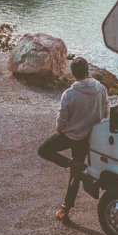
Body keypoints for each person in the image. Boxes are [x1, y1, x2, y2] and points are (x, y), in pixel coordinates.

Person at [38, 56, 108, 222]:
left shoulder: (69, 94)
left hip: (71, 136)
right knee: (74, 175)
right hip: (89, 137)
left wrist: (61, 129)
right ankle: (65, 209)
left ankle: (71, 164)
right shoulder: (101, 88)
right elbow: (106, 113)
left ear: (73, 74)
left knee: (43, 150)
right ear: (87, 71)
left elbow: (61, 122)